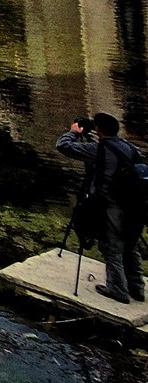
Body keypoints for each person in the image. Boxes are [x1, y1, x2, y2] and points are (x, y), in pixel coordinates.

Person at [57, 112, 146, 302]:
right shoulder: (131, 148)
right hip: (134, 207)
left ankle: (118, 290)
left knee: (112, 247)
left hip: (110, 207)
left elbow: (63, 146)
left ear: (98, 129)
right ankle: (137, 288)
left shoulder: (99, 150)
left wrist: (73, 132)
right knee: (131, 246)